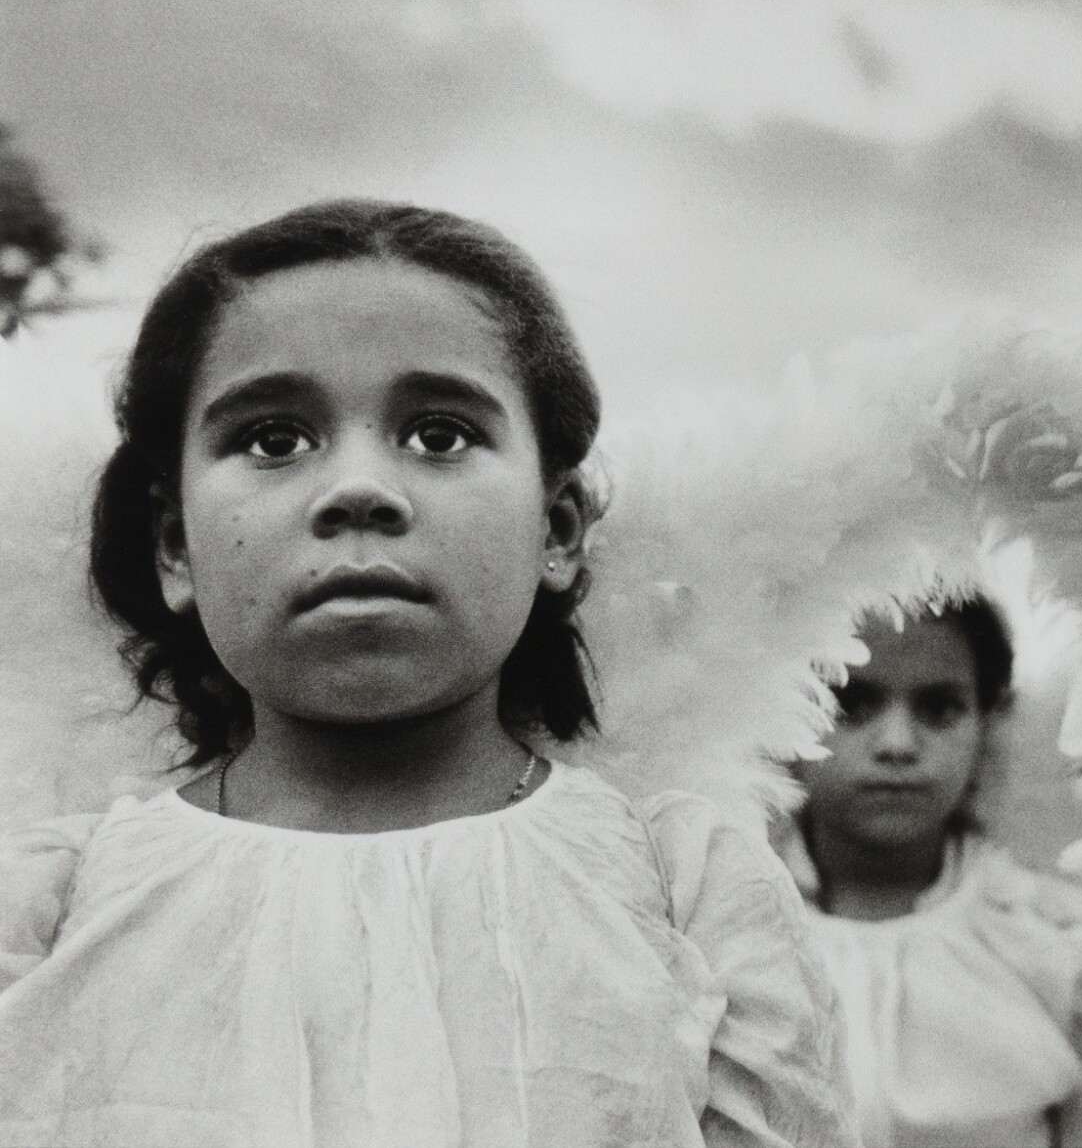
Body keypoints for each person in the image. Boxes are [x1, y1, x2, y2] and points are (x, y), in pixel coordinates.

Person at [0, 201, 858, 1148]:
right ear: (174, 545)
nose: (358, 490)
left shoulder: (685, 887)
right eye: (275, 439)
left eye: (440, 436)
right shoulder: (50, 907)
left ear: (556, 530)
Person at [784, 597, 1082, 1147]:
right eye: (851, 703)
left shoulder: (1052, 939)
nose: (897, 744)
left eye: (940, 709)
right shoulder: (725, 931)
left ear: (986, 724)